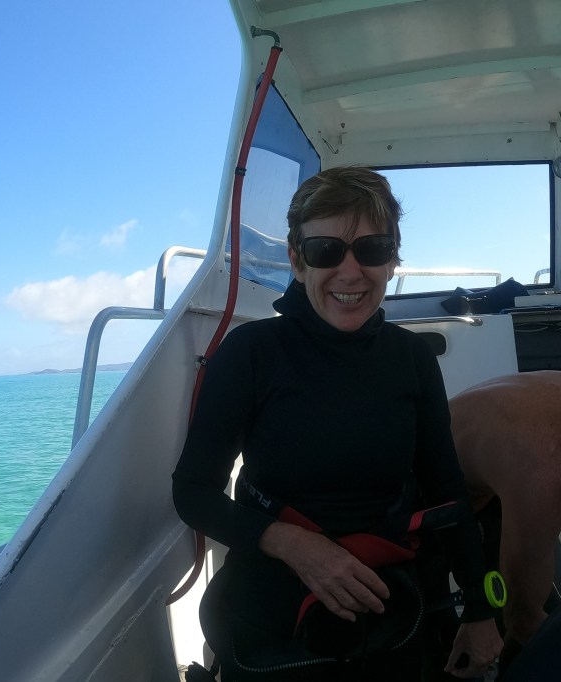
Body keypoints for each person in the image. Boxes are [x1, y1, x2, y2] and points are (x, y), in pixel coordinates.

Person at [172, 166, 502, 681]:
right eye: (327, 250)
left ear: (392, 260)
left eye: (371, 249)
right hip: (277, 606)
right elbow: (192, 491)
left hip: (388, 604)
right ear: (297, 260)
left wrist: (481, 614)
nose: (351, 272)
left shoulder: (412, 359)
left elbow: (446, 492)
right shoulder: (252, 354)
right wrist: (295, 546)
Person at [448, 370, 561, 675]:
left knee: (535, 608)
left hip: (494, 474)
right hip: (428, 494)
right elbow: (523, 619)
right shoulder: (545, 465)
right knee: (518, 619)